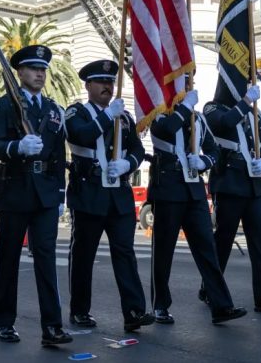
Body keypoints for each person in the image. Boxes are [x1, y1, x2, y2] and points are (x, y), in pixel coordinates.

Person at [0, 44, 72, 346]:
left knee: (46, 260)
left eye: (43, 69)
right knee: (8, 258)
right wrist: (16, 148)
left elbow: (59, 155)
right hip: (15, 189)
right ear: (19, 72)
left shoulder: (52, 109)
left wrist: (60, 194)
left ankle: (52, 326)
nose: (40, 73)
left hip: (46, 193)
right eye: (34, 69)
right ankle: (4, 322)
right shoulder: (4, 105)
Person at [64, 60, 154, 333]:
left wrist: (129, 164)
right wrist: (106, 116)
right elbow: (82, 136)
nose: (107, 86)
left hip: (119, 195)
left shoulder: (124, 118)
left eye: (110, 82)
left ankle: (134, 311)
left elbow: (138, 149)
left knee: (125, 253)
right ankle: (80, 311)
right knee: (83, 255)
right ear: (88, 85)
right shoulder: (76, 112)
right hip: (89, 192)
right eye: (101, 82)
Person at [147, 86, 247, 325]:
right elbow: (167, 130)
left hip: (194, 190)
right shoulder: (158, 113)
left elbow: (214, 150)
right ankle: (160, 305)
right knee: (163, 251)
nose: (184, 88)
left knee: (207, 250)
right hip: (168, 189)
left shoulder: (198, 117)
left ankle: (221, 305)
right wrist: (185, 107)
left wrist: (205, 160)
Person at [203, 83, 261, 315]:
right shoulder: (213, 108)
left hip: (255, 186)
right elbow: (224, 123)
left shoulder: (256, 113)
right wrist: (245, 102)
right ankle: (211, 288)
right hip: (230, 184)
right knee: (223, 240)